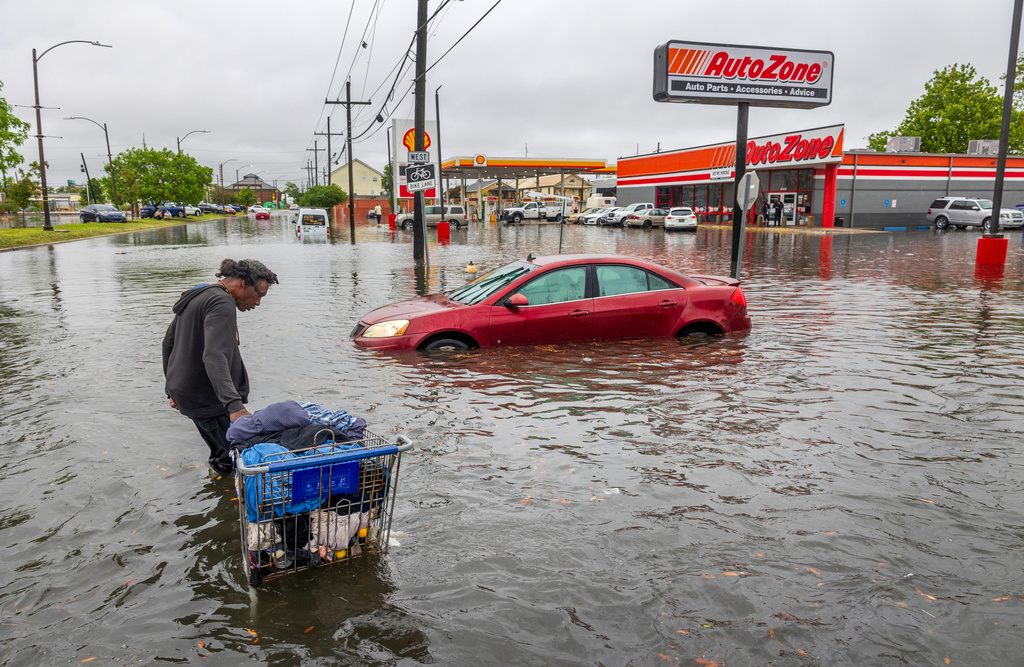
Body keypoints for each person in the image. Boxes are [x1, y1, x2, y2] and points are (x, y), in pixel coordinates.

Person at [162, 258, 279, 474]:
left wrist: (171, 388)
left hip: (190, 393)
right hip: (208, 398)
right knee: (236, 458)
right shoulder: (222, 303)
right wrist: (235, 407)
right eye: (259, 295)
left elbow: (168, 342)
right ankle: (231, 496)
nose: (258, 303)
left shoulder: (200, 294)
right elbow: (214, 356)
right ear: (244, 283)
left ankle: (218, 497)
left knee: (221, 453)